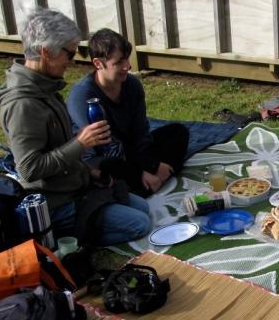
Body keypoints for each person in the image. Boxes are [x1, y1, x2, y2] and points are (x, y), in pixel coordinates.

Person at [0, 8, 152, 246]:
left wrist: (88, 172)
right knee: (140, 223)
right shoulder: (23, 104)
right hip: (55, 203)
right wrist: (81, 144)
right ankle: (63, 239)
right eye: (69, 53)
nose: (72, 60)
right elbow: (29, 169)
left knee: (143, 207)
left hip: (75, 186)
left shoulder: (45, 89)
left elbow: (57, 149)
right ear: (46, 52)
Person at [67, 28, 189, 197]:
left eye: (127, 59)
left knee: (177, 132)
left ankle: (149, 182)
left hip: (131, 150)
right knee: (110, 167)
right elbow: (107, 147)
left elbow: (141, 130)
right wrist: (141, 171)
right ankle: (146, 182)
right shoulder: (83, 96)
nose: (127, 66)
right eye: (119, 62)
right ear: (98, 63)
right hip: (101, 158)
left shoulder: (132, 84)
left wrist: (150, 164)